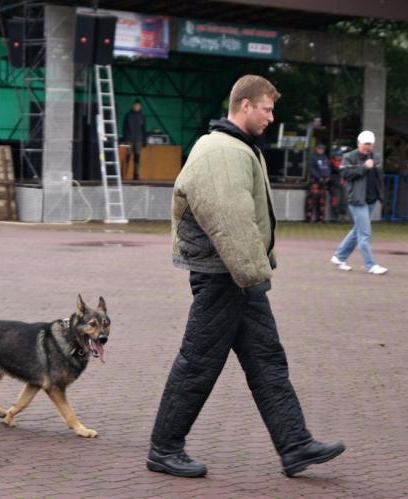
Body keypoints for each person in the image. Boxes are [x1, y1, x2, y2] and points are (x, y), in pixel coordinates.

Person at [146, 75, 345, 479]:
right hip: (224, 276)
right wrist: (254, 275)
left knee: (267, 359)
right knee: (198, 362)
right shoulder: (221, 151)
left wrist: (251, 276)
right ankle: (164, 449)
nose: (272, 117)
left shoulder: (235, 147)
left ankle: (294, 445)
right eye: (267, 109)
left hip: (234, 275)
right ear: (245, 106)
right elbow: (231, 221)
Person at [330, 130, 387, 275]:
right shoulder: (349, 157)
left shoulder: (376, 157)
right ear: (358, 143)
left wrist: (375, 168)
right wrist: (364, 167)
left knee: (358, 230)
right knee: (365, 233)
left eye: (370, 144)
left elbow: (380, 176)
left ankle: (339, 256)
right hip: (357, 199)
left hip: (371, 199)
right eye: (365, 144)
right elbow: (345, 174)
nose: (367, 147)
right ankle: (370, 265)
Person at [122, 100, 147, 180]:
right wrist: (124, 139)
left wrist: (144, 140)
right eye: (135, 105)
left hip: (138, 140)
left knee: (137, 158)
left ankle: (136, 175)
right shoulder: (128, 115)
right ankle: (124, 174)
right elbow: (124, 128)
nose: (137, 107)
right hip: (129, 140)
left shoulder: (142, 116)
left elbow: (144, 129)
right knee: (127, 156)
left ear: (140, 107)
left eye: (138, 105)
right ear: (132, 106)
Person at [306, 143, 331, 223]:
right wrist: (318, 177)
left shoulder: (325, 157)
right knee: (312, 199)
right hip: (315, 181)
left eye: (322, 149)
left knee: (322, 200)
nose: (321, 150)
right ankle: (309, 218)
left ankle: (320, 218)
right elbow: (310, 168)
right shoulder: (312, 157)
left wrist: (327, 176)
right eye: (319, 148)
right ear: (316, 149)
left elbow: (328, 168)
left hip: (324, 182)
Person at [328, 148, 347, 222]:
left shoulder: (344, 162)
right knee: (336, 200)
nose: (338, 157)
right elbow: (337, 171)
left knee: (344, 199)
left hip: (343, 183)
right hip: (335, 184)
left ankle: (343, 215)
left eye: (340, 156)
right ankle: (337, 215)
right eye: (337, 155)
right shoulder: (330, 163)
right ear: (333, 156)